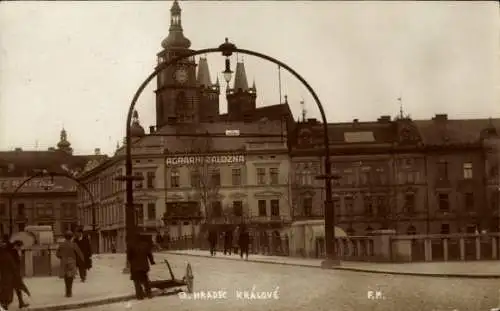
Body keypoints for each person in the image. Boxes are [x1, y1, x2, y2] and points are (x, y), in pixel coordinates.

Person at [56, 231, 84, 298]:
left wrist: (61, 257)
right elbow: (80, 253)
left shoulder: (61, 244)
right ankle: (70, 292)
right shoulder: (74, 244)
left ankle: (67, 291)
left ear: (65, 237)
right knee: (71, 277)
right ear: (71, 237)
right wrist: (82, 260)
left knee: (66, 277)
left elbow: (57, 254)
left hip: (64, 262)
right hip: (72, 261)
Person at [127, 234, 155, 300]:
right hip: (144, 267)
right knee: (145, 280)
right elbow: (149, 254)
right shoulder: (145, 245)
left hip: (135, 267)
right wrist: (152, 262)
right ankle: (149, 294)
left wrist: (131, 262)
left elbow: (129, 257)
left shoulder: (131, 245)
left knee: (137, 282)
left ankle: (140, 296)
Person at [8, 240, 30, 309]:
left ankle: (21, 303)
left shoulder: (12, 251)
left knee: (18, 289)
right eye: (20, 247)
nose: (20, 248)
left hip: (14, 273)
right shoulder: (13, 252)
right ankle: (5, 304)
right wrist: (19, 255)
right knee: (14, 289)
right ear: (17, 246)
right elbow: (17, 261)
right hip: (13, 273)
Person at [0, 238, 21, 310]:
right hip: (9, 275)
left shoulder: (5, 254)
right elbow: (14, 265)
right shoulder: (9, 255)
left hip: (5, 275)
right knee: (8, 291)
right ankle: (5, 304)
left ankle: (5, 304)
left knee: (6, 290)